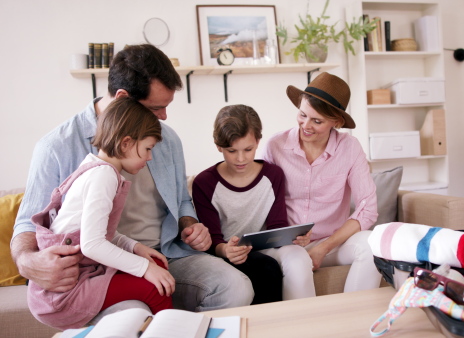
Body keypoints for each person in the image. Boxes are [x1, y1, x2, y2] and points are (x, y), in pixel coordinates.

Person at [11, 44, 253, 317]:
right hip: (96, 270)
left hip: (164, 254)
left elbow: (182, 199)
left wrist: (190, 224)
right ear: (123, 97)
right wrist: (28, 262)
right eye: (156, 107)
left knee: (235, 287)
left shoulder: (167, 138)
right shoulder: (56, 147)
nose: (163, 117)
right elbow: (26, 223)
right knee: (134, 312)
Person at [28, 97, 174, 330]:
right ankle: (174, 332)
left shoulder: (97, 167)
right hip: (65, 292)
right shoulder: (103, 176)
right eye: (148, 149)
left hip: (82, 273)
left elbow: (101, 231)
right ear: (126, 143)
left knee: (157, 266)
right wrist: (144, 268)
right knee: (156, 287)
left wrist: (133, 247)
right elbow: (92, 244)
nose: (149, 158)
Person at [262, 72, 382, 293]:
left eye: (317, 121)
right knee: (298, 263)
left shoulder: (350, 148)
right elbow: (260, 199)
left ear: (336, 122)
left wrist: (324, 247)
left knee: (372, 244)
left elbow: (368, 209)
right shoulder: (275, 146)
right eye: (302, 115)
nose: (305, 125)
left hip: (332, 242)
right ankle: (304, 326)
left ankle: (355, 317)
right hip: (288, 245)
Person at [192, 105, 315, 301]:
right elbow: (212, 241)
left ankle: (301, 323)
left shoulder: (273, 175)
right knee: (265, 269)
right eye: (232, 151)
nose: (241, 159)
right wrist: (226, 250)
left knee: (298, 256)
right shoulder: (204, 183)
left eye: (248, 149)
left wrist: (295, 238)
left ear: (258, 142)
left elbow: (277, 226)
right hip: (226, 253)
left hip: (263, 249)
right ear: (218, 146)